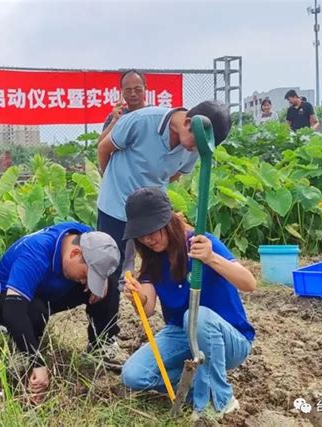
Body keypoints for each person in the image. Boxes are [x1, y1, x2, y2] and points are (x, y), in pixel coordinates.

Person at [96, 101, 231, 363]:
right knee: (108, 272)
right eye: (194, 143)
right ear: (189, 124)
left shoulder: (196, 143)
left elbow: (175, 175)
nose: (193, 150)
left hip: (153, 215)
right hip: (115, 205)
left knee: (152, 264)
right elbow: (104, 148)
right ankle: (102, 340)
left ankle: (171, 327)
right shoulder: (141, 121)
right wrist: (111, 182)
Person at [121, 187, 256, 422]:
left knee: (197, 316)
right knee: (133, 375)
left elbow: (249, 283)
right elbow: (148, 307)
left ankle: (221, 400)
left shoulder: (201, 243)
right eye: (141, 234)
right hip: (182, 334)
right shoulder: (153, 258)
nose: (148, 239)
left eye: (153, 230)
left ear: (169, 220)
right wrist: (136, 296)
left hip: (227, 339)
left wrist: (211, 258)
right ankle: (198, 391)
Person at [0, 222, 120, 403]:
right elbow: (13, 311)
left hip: (49, 290)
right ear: (75, 253)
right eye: (86, 275)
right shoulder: (36, 252)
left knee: (110, 285)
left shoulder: (84, 237)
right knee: (35, 310)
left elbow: (99, 268)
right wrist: (37, 362)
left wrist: (101, 280)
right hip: (7, 299)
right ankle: (24, 356)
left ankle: (101, 345)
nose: (85, 281)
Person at [98, 69, 147, 143]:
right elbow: (101, 145)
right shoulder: (115, 116)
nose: (133, 94)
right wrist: (114, 121)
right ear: (122, 91)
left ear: (145, 88)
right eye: (128, 90)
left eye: (138, 89)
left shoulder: (154, 115)